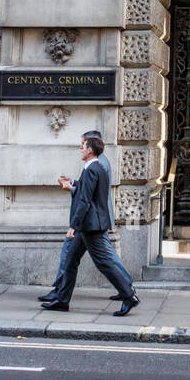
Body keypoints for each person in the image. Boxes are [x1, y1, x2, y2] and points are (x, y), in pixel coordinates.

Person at [39, 132, 139, 315]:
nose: (80, 148)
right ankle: (62, 300)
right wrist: (73, 183)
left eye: (82, 146)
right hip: (88, 225)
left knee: (104, 263)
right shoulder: (94, 167)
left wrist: (73, 226)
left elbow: (85, 200)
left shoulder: (92, 169)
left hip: (91, 226)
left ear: (90, 150)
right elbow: (88, 190)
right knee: (70, 261)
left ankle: (128, 295)